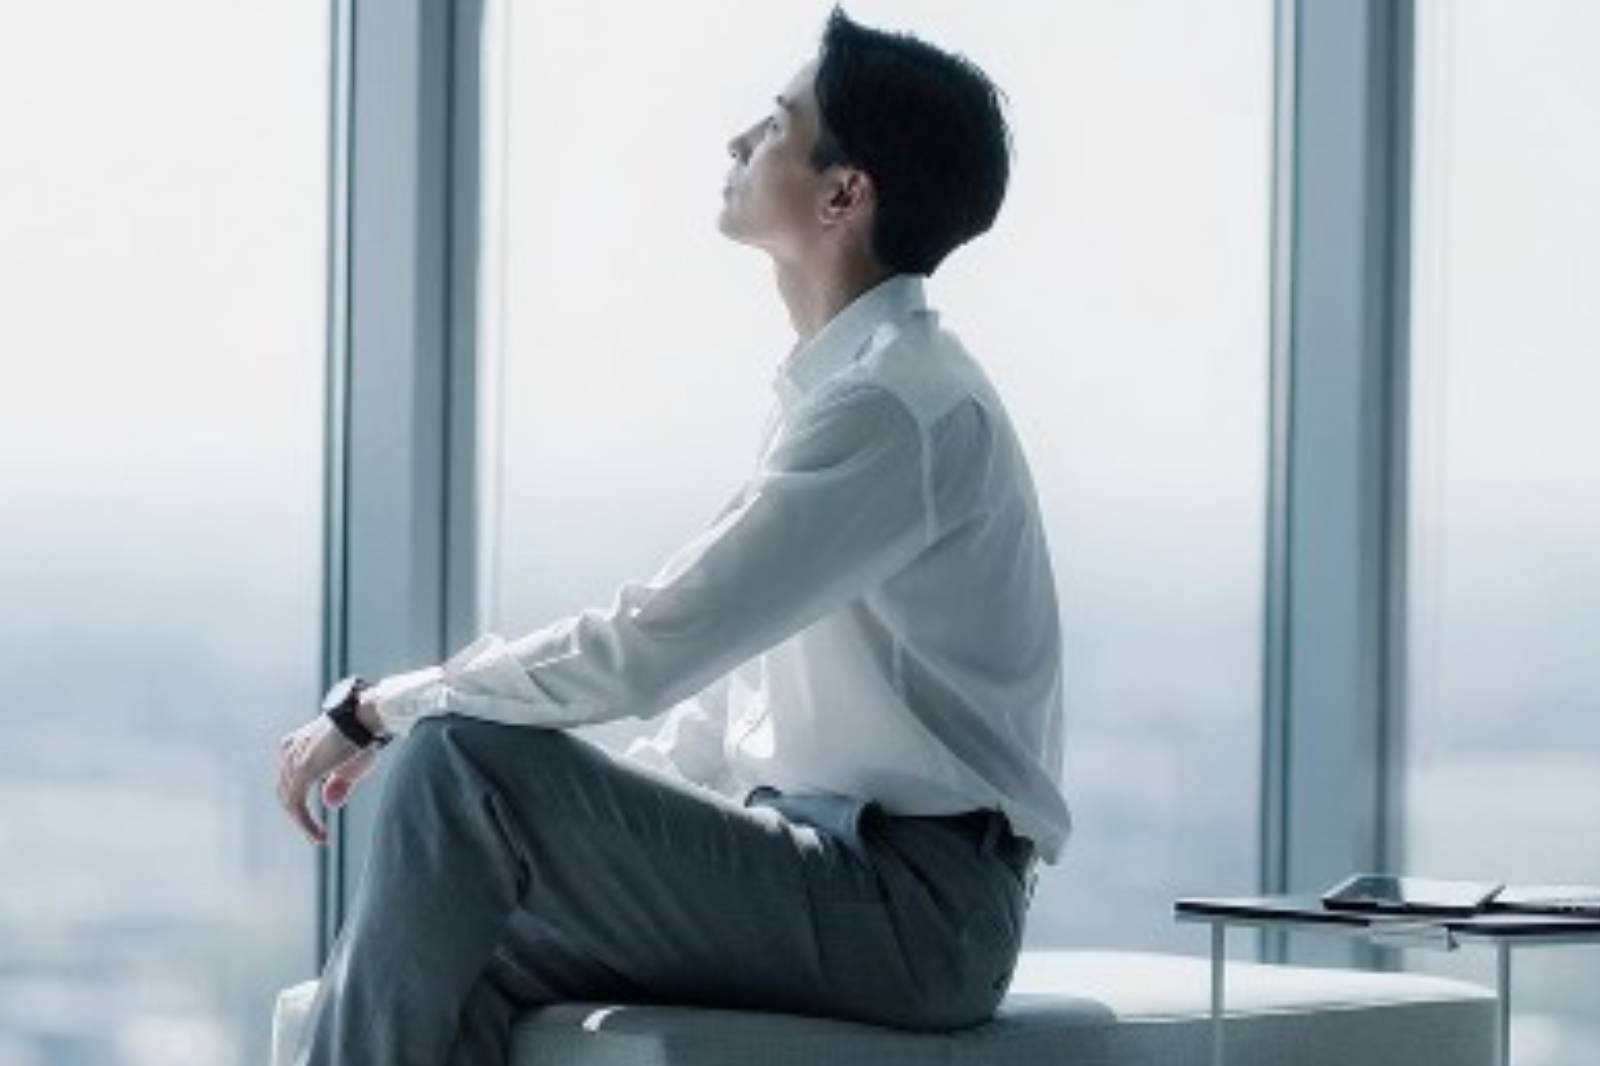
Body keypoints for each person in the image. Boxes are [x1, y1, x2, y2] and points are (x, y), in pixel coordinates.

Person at [275, 7, 1071, 1064]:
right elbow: (728, 711)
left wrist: (382, 707)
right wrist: (601, 833)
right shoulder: (845, 392)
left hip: (913, 911)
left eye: (778, 124)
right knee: (459, 940)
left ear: (844, 192)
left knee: (455, 766)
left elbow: (650, 643)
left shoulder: (895, 410)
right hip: (831, 866)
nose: (740, 141)